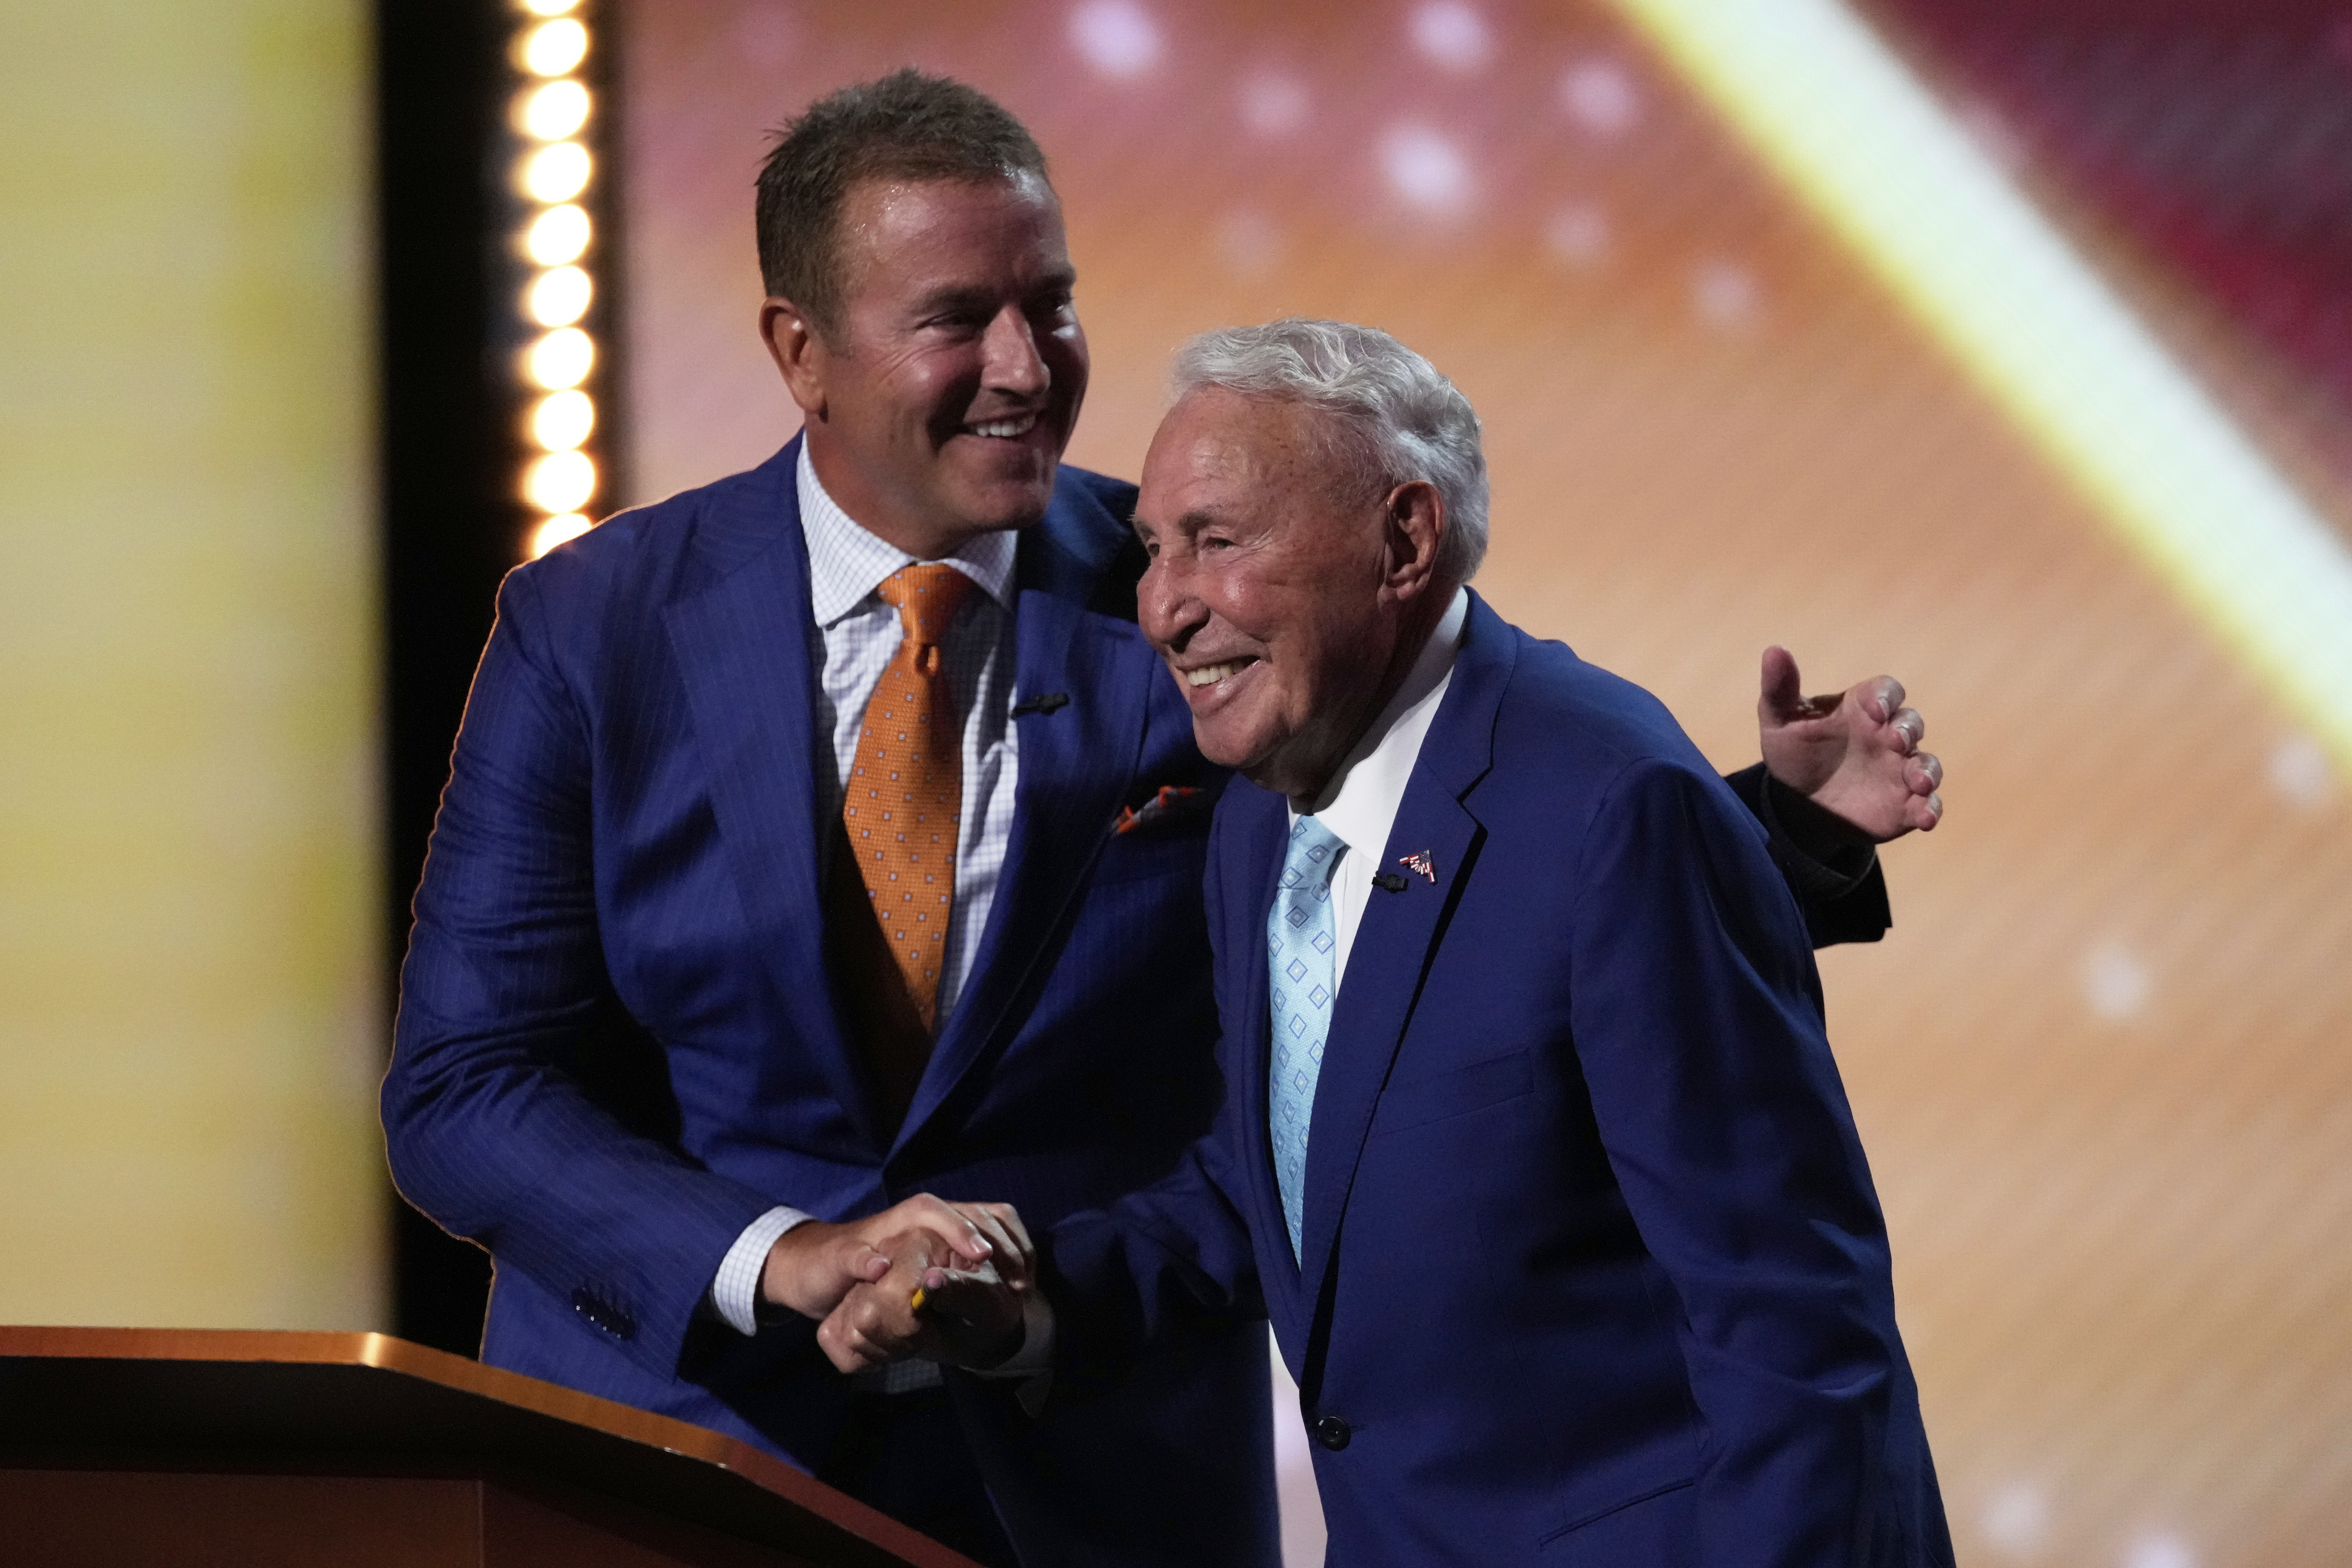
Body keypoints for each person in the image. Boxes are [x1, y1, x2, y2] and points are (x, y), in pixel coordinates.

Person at [383, 73, 1942, 1568]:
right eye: (955, 320)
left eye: (1048, 303)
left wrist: (1762, 837)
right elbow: (462, 1085)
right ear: (802, 349)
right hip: (691, 1459)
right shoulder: (593, 631)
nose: (1024, 363)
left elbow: (1483, 807)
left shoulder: (1219, 593)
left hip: (1095, 1480)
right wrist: (783, 1255)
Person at [847, 318, 1952, 1565]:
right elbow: (1282, 1175)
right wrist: (1030, 1295)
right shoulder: (1261, 816)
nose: (1162, 607)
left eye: (1217, 542)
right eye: (1154, 550)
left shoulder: (1611, 805)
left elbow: (1795, 1329)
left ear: (1404, 540)